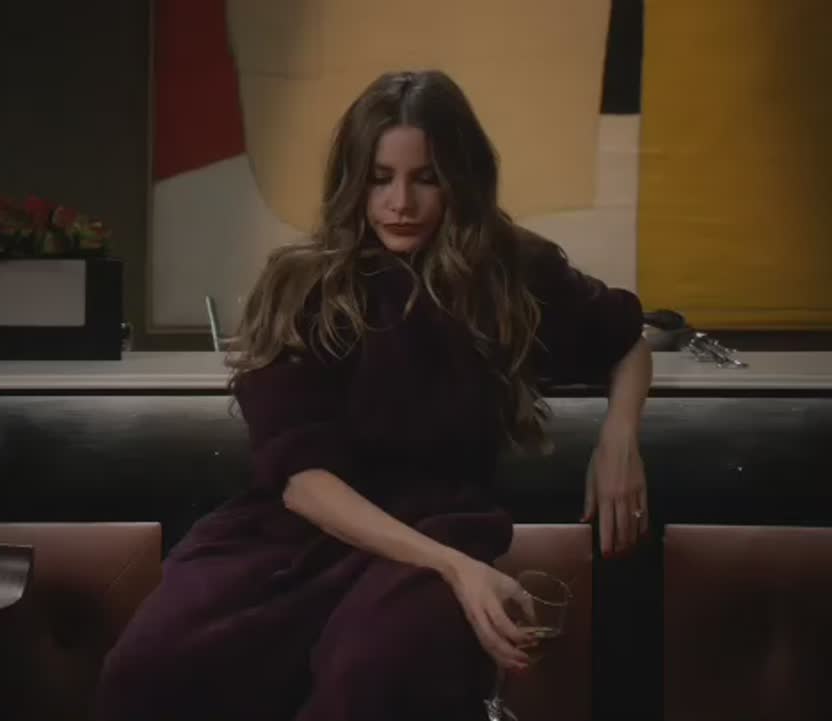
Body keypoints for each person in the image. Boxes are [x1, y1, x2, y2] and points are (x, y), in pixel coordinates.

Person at [94, 69, 652, 721]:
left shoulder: (510, 271)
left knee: (368, 679)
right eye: (380, 178)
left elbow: (628, 339)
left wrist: (620, 439)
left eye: (426, 178)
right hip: (296, 535)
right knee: (149, 667)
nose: (400, 203)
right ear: (353, 181)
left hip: (438, 523)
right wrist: (457, 568)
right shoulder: (304, 285)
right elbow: (303, 483)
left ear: (460, 180)